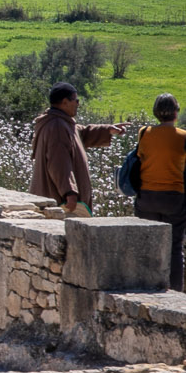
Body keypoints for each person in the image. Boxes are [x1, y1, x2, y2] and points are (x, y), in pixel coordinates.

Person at [29, 83, 116, 212]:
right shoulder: (57, 127)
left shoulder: (60, 122)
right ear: (65, 102)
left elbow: (80, 133)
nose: (78, 104)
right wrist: (69, 192)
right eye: (76, 100)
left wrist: (108, 130)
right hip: (60, 202)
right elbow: (58, 163)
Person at [134, 92, 186, 291]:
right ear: (176, 112)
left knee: (147, 245)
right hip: (174, 197)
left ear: (156, 112)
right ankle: (174, 292)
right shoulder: (183, 137)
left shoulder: (144, 133)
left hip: (146, 196)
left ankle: (145, 288)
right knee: (174, 248)